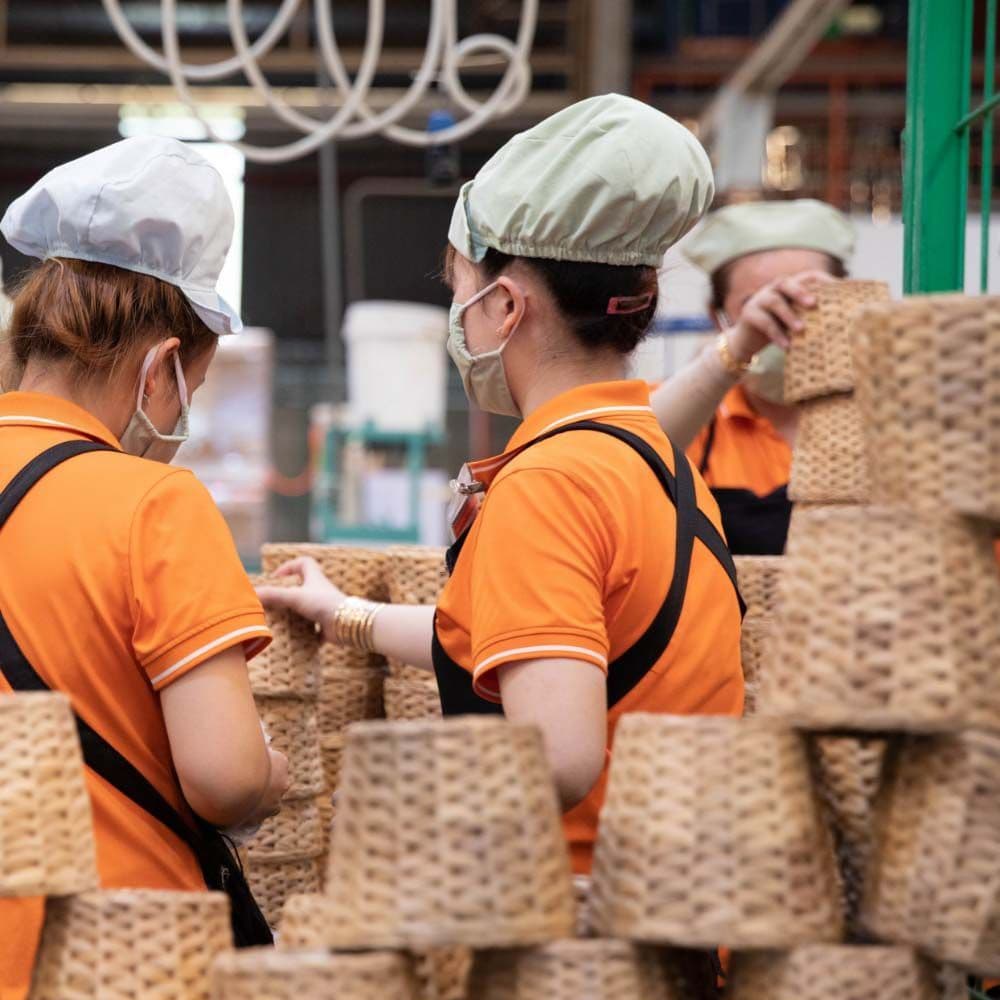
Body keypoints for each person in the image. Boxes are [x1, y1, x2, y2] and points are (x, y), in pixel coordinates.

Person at [259, 94, 744, 876]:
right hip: (669, 907)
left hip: (572, 928)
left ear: (506, 305)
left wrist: (394, 830)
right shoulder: (645, 452)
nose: (457, 315)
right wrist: (344, 614)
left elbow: (559, 755)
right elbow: (536, 642)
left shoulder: (552, 482)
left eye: (458, 289)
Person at [0, 136, 288, 999]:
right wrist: (270, 772)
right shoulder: (151, 506)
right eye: (192, 387)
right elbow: (225, 775)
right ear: (162, 367)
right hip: (113, 955)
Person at [648, 198, 854, 554]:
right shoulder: (691, 416)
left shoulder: (878, 418)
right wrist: (737, 349)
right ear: (719, 319)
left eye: (809, 301)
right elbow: (627, 451)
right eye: (757, 305)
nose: (786, 321)